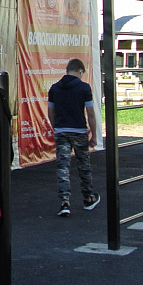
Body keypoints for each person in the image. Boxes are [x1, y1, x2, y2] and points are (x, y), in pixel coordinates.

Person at [49, 58, 100, 216]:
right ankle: (88, 197)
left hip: (61, 130)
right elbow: (90, 113)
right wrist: (94, 134)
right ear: (80, 71)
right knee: (83, 165)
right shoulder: (84, 88)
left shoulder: (54, 88)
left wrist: (56, 127)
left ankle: (65, 202)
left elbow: (51, 111)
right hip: (79, 131)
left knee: (63, 167)